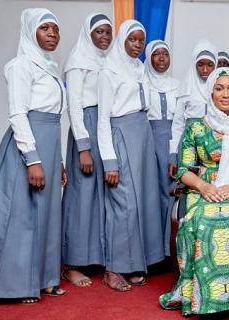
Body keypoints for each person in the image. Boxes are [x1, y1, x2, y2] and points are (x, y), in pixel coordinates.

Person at [159, 67, 229, 318]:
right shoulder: (198, 127)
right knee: (199, 220)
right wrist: (203, 186)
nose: (225, 94)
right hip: (205, 188)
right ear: (210, 92)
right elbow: (184, 170)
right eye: (219, 88)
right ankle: (202, 297)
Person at [0, 8, 67, 303]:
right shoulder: (20, 65)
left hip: (50, 141)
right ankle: (15, 285)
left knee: (47, 215)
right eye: (45, 29)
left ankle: (44, 279)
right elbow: (18, 114)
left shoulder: (50, 67)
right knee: (23, 215)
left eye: (55, 29)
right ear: (31, 32)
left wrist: (57, 160)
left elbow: (55, 115)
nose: (52, 35)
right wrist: (33, 159)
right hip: (28, 144)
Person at [97, 19, 164, 292]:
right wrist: (109, 160)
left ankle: (135, 264)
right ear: (121, 40)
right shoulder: (108, 71)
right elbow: (103, 119)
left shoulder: (139, 68)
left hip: (142, 134)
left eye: (140, 40)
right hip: (121, 134)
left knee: (143, 203)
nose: (137, 45)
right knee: (123, 204)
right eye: (132, 40)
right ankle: (113, 268)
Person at [61, 13, 113, 288]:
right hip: (86, 128)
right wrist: (83, 146)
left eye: (108, 32)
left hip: (104, 128)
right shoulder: (77, 61)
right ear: (88, 34)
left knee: (101, 196)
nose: (104, 37)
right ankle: (72, 263)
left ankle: (96, 257)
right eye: (99, 32)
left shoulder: (106, 60)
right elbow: (74, 106)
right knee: (82, 197)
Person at [145, 39, 180, 255]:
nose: (161, 58)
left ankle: (169, 250)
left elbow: (180, 120)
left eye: (165, 54)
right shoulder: (143, 83)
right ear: (149, 58)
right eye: (156, 54)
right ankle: (152, 251)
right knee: (151, 193)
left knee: (171, 191)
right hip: (148, 139)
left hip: (173, 139)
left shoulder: (178, 85)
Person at [168, 40, 217, 179]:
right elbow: (178, 125)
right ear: (194, 65)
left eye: (210, 65)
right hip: (189, 146)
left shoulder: (221, 90)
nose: (205, 70)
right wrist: (173, 154)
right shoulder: (186, 90)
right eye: (200, 65)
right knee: (188, 183)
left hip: (215, 147)